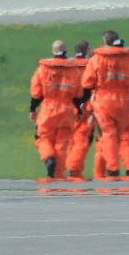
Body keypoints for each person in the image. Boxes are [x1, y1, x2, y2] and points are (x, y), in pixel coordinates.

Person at [81, 30, 129, 178]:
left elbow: (87, 82)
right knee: (125, 136)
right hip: (124, 100)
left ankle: (113, 170)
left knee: (108, 135)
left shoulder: (96, 59)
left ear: (105, 42)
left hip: (103, 101)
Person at [29, 40, 82, 180]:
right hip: (67, 110)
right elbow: (78, 95)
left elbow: (36, 92)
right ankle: (57, 176)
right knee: (62, 143)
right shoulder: (74, 70)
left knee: (43, 138)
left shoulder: (43, 69)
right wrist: (79, 110)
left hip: (48, 109)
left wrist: (32, 109)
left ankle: (48, 158)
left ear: (53, 51)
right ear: (66, 51)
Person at [67, 40, 94, 180]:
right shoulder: (91, 65)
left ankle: (75, 170)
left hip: (68, 105)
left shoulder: (68, 65)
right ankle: (74, 169)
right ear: (87, 50)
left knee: (72, 139)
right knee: (82, 139)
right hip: (86, 106)